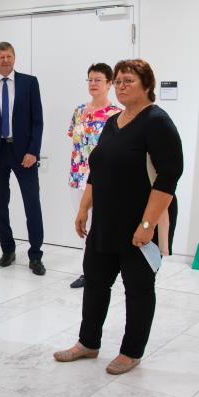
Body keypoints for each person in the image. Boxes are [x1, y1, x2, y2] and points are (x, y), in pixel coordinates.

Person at [53, 59, 183, 375]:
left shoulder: (157, 122)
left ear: (147, 85)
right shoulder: (114, 122)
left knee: (138, 287)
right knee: (96, 280)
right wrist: (84, 208)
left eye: (129, 80)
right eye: (120, 81)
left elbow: (168, 178)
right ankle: (88, 343)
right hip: (106, 219)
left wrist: (147, 225)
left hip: (140, 221)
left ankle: (131, 351)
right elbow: (97, 169)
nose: (122, 86)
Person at [0, 41, 46, 275]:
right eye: (1, 56)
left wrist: (33, 151)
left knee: (31, 203)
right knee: (0, 204)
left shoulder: (29, 83)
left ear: (14, 58)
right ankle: (8, 250)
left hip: (24, 153)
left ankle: (35, 255)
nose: (5, 60)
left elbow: (38, 121)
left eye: (9, 56)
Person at [67, 63, 121, 288]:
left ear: (109, 83)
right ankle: (86, 271)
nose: (93, 84)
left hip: (103, 178)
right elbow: (74, 139)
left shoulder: (116, 113)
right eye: (89, 79)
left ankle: (100, 272)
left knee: (102, 226)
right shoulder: (79, 110)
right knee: (82, 224)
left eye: (98, 80)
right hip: (78, 176)